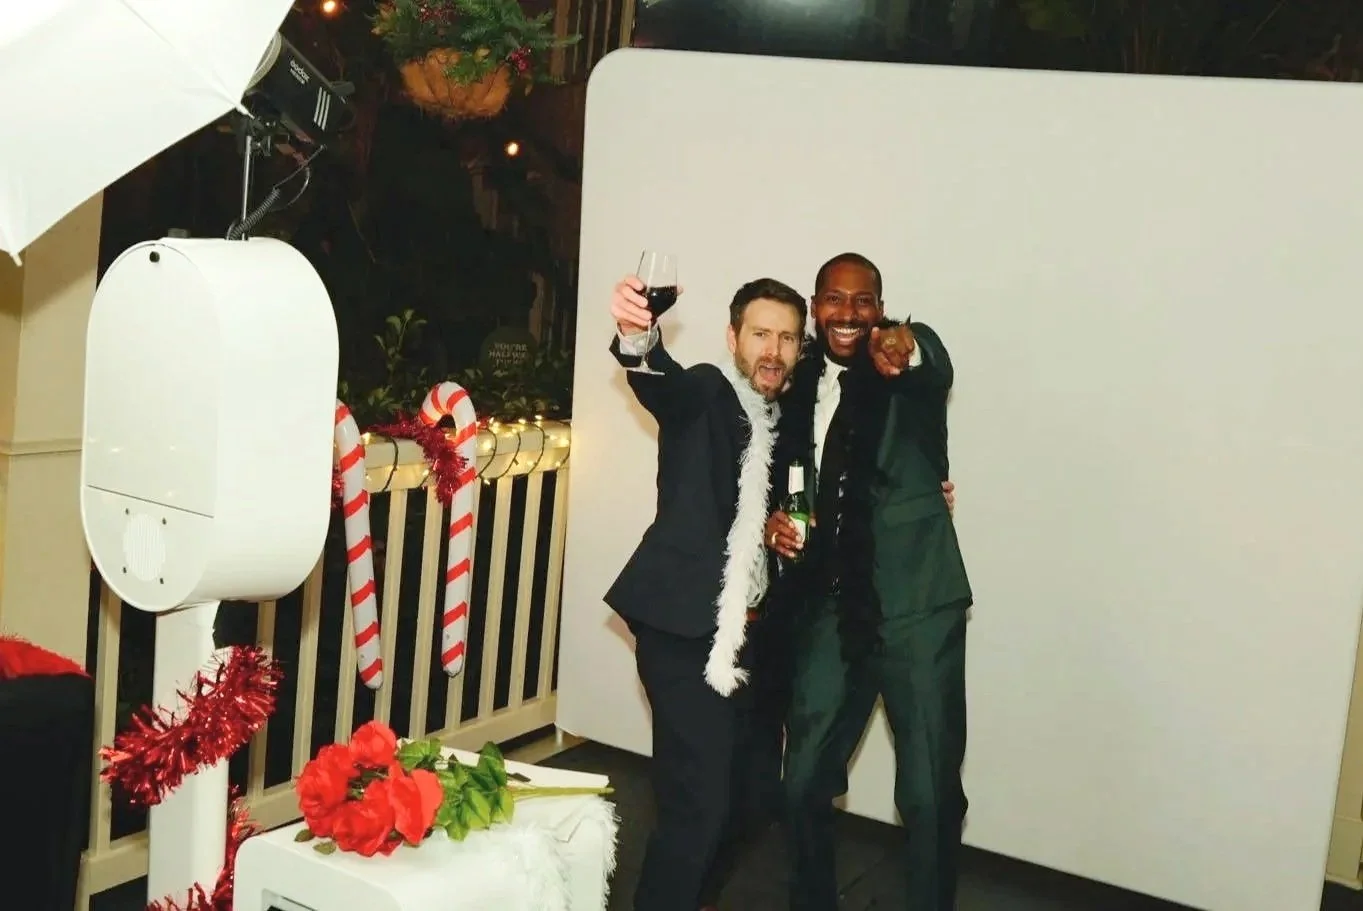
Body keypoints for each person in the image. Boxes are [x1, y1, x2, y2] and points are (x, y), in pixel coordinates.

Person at [765, 252, 972, 911]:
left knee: (928, 789)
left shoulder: (904, 372)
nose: (847, 313)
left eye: (862, 301)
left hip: (917, 604)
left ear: (881, 308)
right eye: (833, 298)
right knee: (800, 779)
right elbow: (790, 479)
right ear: (814, 305)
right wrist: (780, 524)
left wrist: (905, 345)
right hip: (832, 603)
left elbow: (930, 357)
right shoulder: (797, 387)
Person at [606, 272, 806, 911]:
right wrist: (638, 336)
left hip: (754, 638)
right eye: (760, 335)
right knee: (698, 806)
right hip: (685, 632)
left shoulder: (783, 425)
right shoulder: (708, 394)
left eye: (787, 339)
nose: (773, 351)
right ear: (733, 337)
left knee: (751, 802)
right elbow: (663, 383)